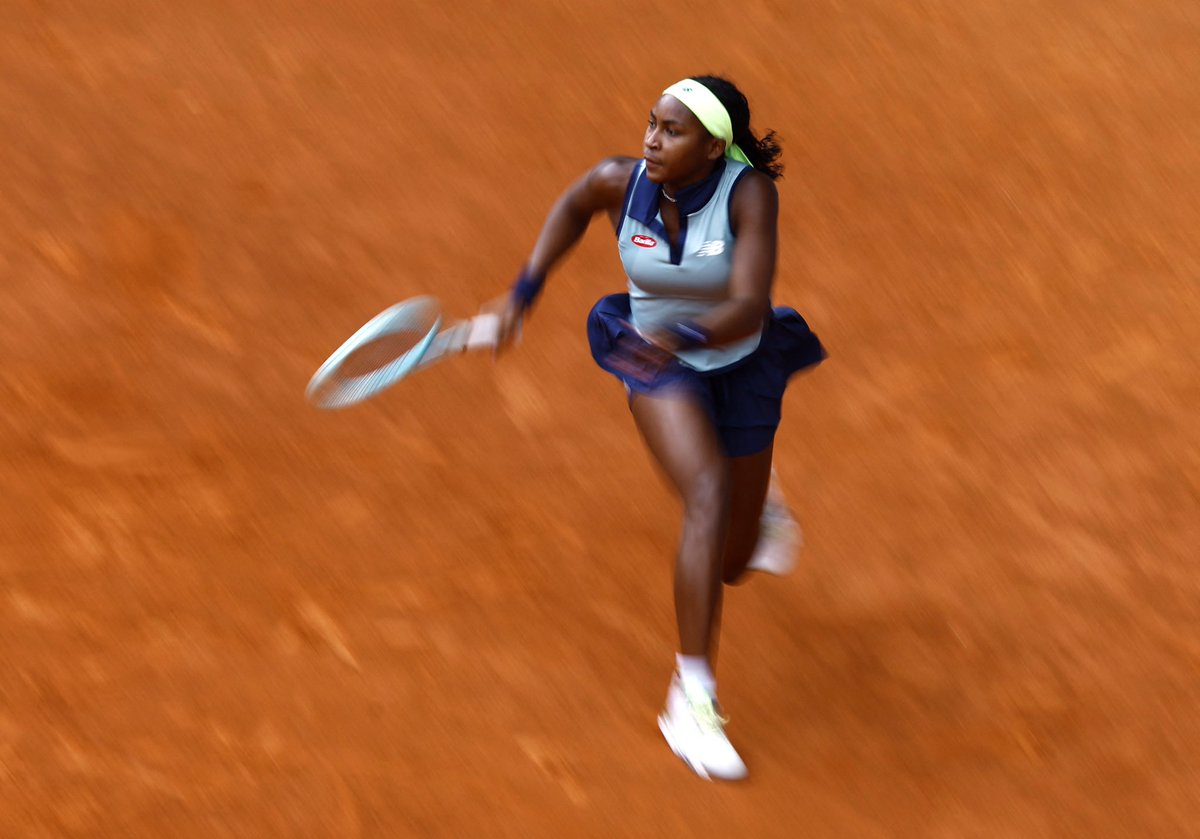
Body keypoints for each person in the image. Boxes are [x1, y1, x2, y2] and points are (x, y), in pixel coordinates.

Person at [494, 76, 826, 781]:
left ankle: (760, 514)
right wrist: (521, 295)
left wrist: (680, 334)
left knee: (734, 561)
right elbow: (574, 205)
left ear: (713, 146)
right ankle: (692, 698)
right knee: (704, 490)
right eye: (651, 123)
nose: (651, 139)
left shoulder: (749, 197)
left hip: (736, 359)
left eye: (672, 131)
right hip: (656, 362)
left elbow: (747, 304)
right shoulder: (623, 181)